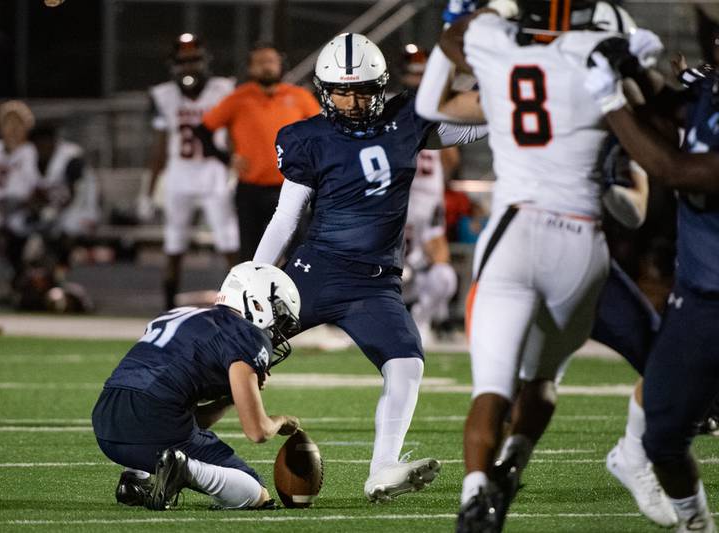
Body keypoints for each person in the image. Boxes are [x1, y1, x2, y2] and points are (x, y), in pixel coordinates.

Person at [418, 2, 679, 528]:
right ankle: (514, 461)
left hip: (515, 233)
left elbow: (448, 56)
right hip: (582, 241)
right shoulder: (599, 57)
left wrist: (490, 12)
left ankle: (475, 495)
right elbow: (663, 115)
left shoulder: (497, 49)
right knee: (542, 381)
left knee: (492, 387)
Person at [253, 32, 488, 502]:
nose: (353, 101)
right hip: (315, 270)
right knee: (236, 348)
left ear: (380, 87)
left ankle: (382, 467)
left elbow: (481, 121)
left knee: (406, 362)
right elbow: (288, 214)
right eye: (343, 91)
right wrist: (256, 273)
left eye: (362, 90)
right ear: (324, 90)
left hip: (375, 283)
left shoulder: (408, 118)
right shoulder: (308, 138)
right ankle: (178, 446)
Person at [585, 25, 719, 532]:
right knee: (663, 438)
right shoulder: (711, 88)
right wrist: (635, 71)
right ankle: (696, 524)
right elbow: (675, 110)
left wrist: (609, 98)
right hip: (700, 298)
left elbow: (675, 168)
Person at [92, 262, 302, 511]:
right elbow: (257, 431)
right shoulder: (247, 336)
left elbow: (186, 418)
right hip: (152, 420)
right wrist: (283, 421)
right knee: (255, 491)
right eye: (279, 314)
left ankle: (137, 478)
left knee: (168, 420)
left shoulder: (181, 314)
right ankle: (184, 470)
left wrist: (228, 399)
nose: (279, 331)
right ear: (257, 302)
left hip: (106, 422)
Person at [138, 33, 239, 310]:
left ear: (205, 61)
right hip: (179, 176)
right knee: (173, 246)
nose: (189, 67)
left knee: (230, 243)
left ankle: (241, 303)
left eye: (194, 60)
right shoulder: (163, 96)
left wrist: (235, 166)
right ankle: (168, 309)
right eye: (183, 61)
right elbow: (159, 148)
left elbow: (234, 133)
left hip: (214, 174)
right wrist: (148, 191)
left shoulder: (223, 89)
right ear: (173, 64)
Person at [202, 43, 321, 262]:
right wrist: (227, 159)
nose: (267, 67)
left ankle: (298, 295)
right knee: (251, 257)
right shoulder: (238, 98)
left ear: (280, 65)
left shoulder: (299, 96)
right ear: (250, 68)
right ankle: (251, 296)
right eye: (260, 62)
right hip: (251, 190)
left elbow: (325, 132)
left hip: (291, 187)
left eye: (271, 61)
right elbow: (203, 130)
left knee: (300, 256)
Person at [399, 44, 460, 345]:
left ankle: (421, 319)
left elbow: (450, 158)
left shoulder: (431, 107)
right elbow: (451, 160)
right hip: (401, 199)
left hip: (420, 199)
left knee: (443, 275)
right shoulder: (427, 105)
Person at [0, 100, 40, 280]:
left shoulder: (29, 151)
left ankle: (23, 279)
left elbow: (28, 187)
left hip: (18, 210)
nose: (13, 129)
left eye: (18, 124)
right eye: (9, 123)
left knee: (29, 234)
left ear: (27, 128)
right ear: (0, 126)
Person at [29, 122, 100, 276]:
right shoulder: (33, 158)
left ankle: (61, 270)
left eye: (42, 142)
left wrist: (53, 210)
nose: (39, 148)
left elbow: (78, 192)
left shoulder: (70, 155)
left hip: (82, 209)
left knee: (65, 228)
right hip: (60, 210)